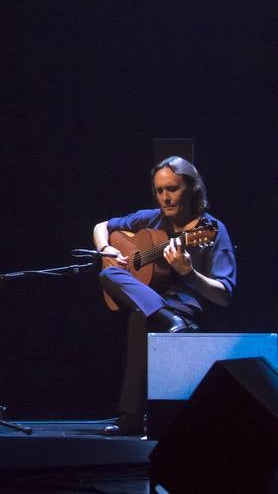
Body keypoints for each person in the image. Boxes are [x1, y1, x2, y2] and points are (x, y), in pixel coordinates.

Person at [93, 155, 236, 437]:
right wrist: (105, 250)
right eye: (159, 191)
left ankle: (131, 418)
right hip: (160, 310)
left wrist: (190, 274)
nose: (165, 198)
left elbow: (225, 295)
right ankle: (164, 318)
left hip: (185, 311)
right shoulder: (152, 219)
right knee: (108, 274)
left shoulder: (211, 231)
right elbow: (102, 227)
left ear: (192, 189)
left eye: (172, 189)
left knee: (139, 318)